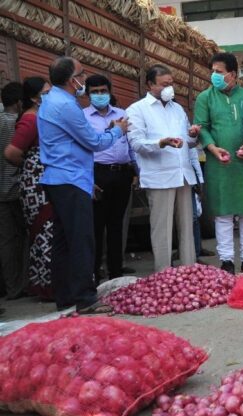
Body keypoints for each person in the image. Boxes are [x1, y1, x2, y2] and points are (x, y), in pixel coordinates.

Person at [37, 57, 128, 313]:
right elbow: (93, 143)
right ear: (71, 80)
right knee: (81, 240)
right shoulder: (65, 105)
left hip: (61, 177)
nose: (85, 78)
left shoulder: (53, 100)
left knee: (64, 241)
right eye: (82, 73)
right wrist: (118, 131)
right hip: (69, 178)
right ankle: (85, 299)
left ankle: (66, 298)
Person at [195, 52, 243, 274]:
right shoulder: (204, 98)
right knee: (223, 213)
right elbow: (202, 127)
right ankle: (226, 261)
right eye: (213, 71)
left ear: (233, 74)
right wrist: (212, 148)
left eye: (219, 71)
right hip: (220, 163)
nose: (214, 75)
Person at [126, 64, 200, 273]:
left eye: (171, 84)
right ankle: (163, 272)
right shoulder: (137, 109)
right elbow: (137, 143)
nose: (169, 88)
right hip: (160, 175)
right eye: (164, 84)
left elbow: (188, 142)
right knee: (162, 227)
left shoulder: (177, 109)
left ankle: (189, 269)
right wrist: (161, 142)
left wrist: (193, 135)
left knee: (186, 226)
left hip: (183, 173)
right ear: (150, 85)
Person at [83, 74, 136, 283]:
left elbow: (130, 144)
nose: (99, 95)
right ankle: (95, 275)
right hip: (98, 174)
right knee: (96, 226)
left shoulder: (122, 114)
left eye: (103, 91)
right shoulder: (83, 117)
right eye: (95, 92)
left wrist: (136, 172)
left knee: (117, 225)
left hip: (122, 173)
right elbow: (83, 149)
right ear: (87, 94)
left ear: (110, 91)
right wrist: (88, 179)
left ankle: (116, 273)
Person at [4, 77, 52, 299]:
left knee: (48, 231)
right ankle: (45, 284)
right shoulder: (31, 120)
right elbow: (11, 153)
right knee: (43, 231)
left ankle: (48, 281)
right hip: (36, 184)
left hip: (43, 180)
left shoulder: (41, 116)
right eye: (46, 92)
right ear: (34, 98)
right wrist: (30, 165)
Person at [0, 82, 27, 303]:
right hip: (14, 189)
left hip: (3, 191)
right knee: (20, 239)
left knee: (7, 241)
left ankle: (11, 287)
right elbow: (14, 155)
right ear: (19, 103)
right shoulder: (16, 123)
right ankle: (20, 285)